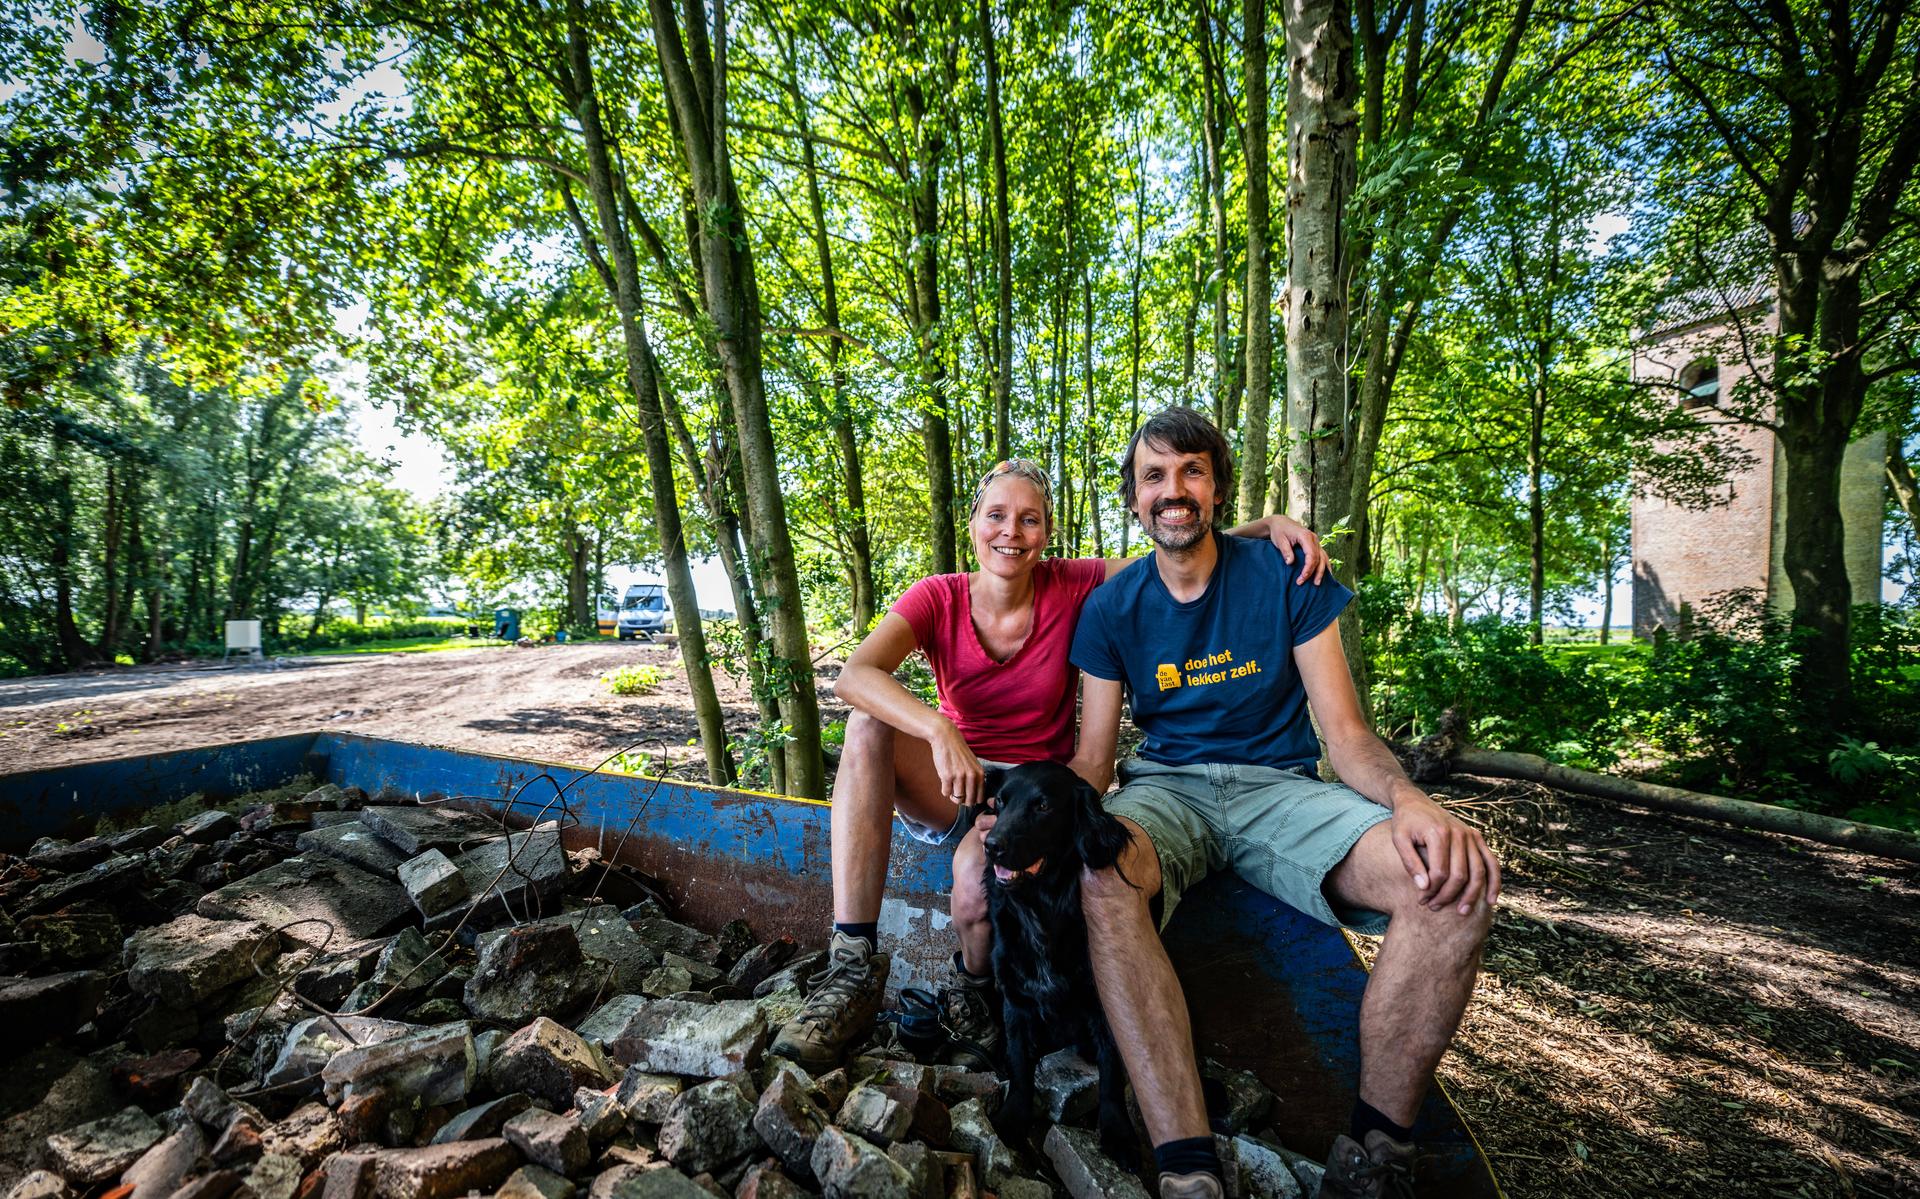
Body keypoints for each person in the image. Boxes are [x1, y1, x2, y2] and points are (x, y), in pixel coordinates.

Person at [769, 457, 1329, 1069]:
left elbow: (1175, 554)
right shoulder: (938, 596)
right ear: (974, 524)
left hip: (1033, 798)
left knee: (972, 888)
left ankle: (974, 993)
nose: (1011, 531)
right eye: (997, 516)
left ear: (1047, 531)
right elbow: (855, 675)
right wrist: (938, 728)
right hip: (955, 779)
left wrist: (1268, 524)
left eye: (1029, 519)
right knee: (867, 722)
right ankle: (850, 969)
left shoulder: (1075, 583)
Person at [1067, 408, 1499, 1199]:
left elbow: (1347, 733)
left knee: (1455, 883)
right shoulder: (1112, 606)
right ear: (1133, 500)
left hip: (1285, 789)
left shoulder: (1286, 575)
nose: (1173, 490)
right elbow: (1094, 760)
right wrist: (1027, 816)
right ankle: (1187, 1166)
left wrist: (1410, 800)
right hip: (1166, 790)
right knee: (1102, 874)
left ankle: (1374, 1158)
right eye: (1154, 476)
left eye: (1192, 470)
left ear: (1217, 486)